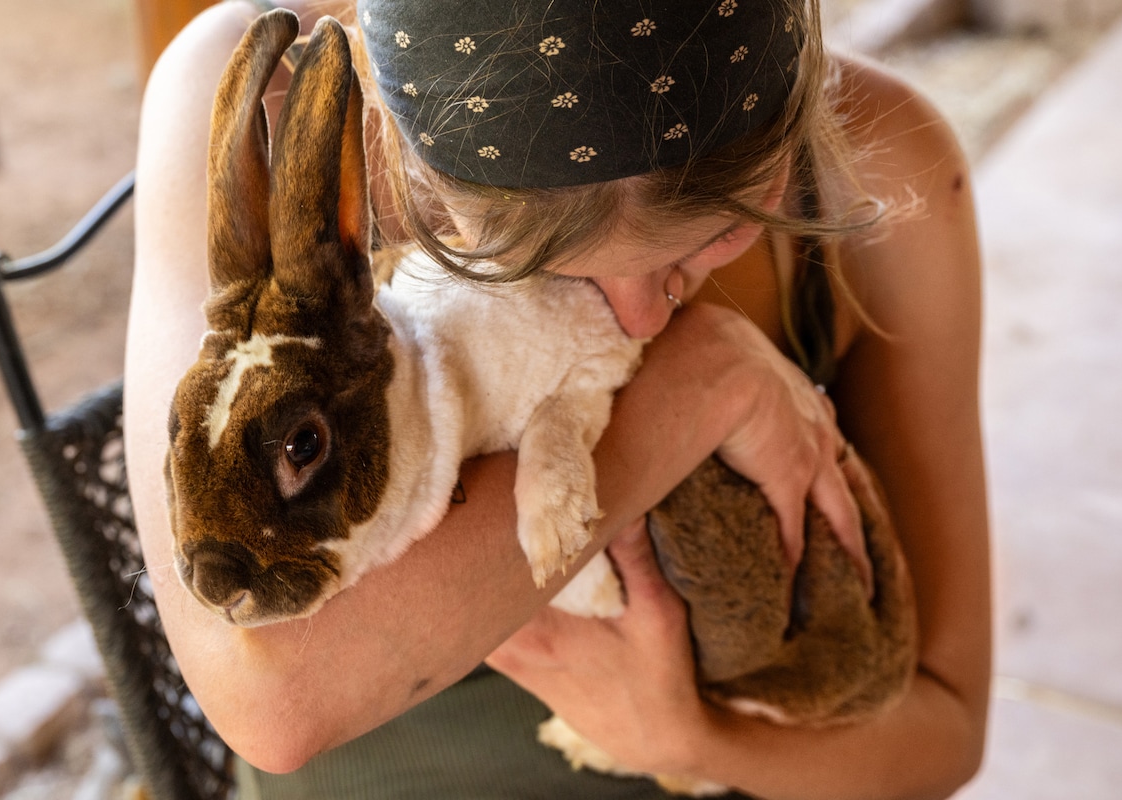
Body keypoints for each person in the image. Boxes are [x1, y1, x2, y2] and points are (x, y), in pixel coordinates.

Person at [124, 0, 991, 797]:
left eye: (721, 237)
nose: (642, 313)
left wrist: (696, 744)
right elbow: (277, 705)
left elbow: (945, 731)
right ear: (401, 155)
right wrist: (699, 387)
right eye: (543, 273)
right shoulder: (245, 85)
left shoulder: (888, 167)